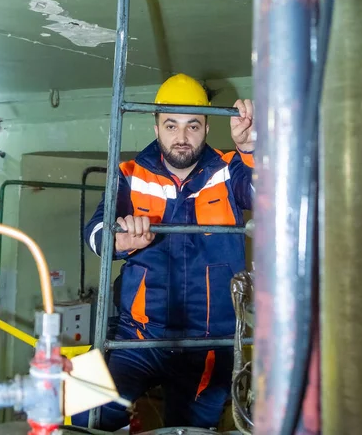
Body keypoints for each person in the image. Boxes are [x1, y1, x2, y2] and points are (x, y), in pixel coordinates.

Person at [73, 73, 254, 431]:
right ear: (156, 127)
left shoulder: (230, 170)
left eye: (193, 126)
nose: (182, 137)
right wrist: (120, 241)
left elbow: (269, 200)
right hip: (137, 337)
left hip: (210, 345)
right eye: (171, 125)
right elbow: (94, 232)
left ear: (206, 128)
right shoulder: (129, 174)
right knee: (83, 404)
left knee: (190, 430)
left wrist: (250, 153)